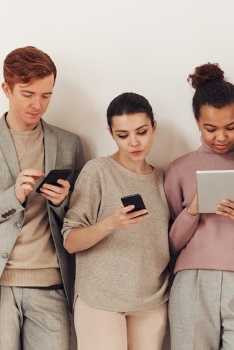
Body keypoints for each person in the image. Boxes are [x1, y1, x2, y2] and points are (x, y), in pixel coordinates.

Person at [0, 46, 84, 350]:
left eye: (46, 95)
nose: (38, 105)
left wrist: (62, 201)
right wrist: (12, 197)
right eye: (28, 93)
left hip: (52, 286)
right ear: (6, 88)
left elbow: (81, 219)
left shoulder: (69, 143)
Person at [165, 63, 234, 350]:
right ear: (197, 121)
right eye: (210, 128)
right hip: (192, 281)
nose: (221, 137)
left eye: (230, 127)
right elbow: (171, 243)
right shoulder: (179, 169)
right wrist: (193, 211)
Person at [62, 92, 170, 349]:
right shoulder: (97, 172)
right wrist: (110, 223)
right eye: (123, 135)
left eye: (141, 132)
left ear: (154, 127)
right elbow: (70, 241)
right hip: (100, 301)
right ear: (111, 134)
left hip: (151, 301)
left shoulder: (163, 179)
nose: (134, 142)